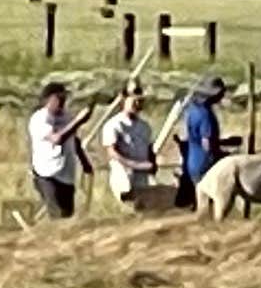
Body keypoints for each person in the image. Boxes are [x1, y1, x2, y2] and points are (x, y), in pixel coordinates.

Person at [24, 79, 87, 220]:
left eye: (65, 97)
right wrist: (79, 121)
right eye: (60, 97)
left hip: (66, 174)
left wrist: (84, 161)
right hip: (46, 174)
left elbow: (74, 140)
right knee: (57, 216)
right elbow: (57, 139)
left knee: (67, 216)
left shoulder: (67, 116)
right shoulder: (39, 119)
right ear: (49, 99)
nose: (64, 101)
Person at [99, 85, 163, 208]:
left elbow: (149, 148)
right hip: (123, 175)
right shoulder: (114, 125)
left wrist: (152, 164)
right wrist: (134, 165)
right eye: (134, 100)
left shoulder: (145, 127)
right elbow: (111, 152)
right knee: (128, 206)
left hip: (142, 176)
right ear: (124, 100)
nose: (138, 104)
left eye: (140, 101)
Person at [170, 75, 229, 202]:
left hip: (192, 162)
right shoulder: (205, 115)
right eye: (222, 93)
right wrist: (224, 153)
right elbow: (207, 144)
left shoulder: (193, 110)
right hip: (205, 164)